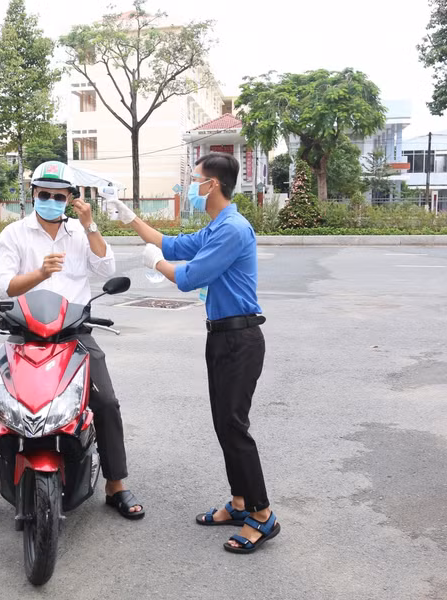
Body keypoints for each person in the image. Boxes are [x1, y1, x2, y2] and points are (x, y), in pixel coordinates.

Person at [0, 161, 145, 523]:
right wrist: (40, 273)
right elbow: (4, 286)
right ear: (33, 195)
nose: (52, 201)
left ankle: (115, 485)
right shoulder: (15, 234)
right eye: (45, 194)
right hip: (23, 333)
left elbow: (106, 269)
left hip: (74, 333)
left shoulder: (79, 233)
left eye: (59, 196)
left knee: (106, 402)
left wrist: (90, 225)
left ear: (70, 198)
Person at [107, 152, 279, 554]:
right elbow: (174, 244)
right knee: (224, 424)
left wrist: (157, 264)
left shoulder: (232, 229)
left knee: (234, 427)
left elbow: (189, 276)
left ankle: (262, 514)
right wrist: (130, 219)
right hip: (222, 336)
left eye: (194, 180)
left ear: (212, 185)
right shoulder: (218, 225)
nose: (189, 188)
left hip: (239, 338)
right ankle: (240, 503)